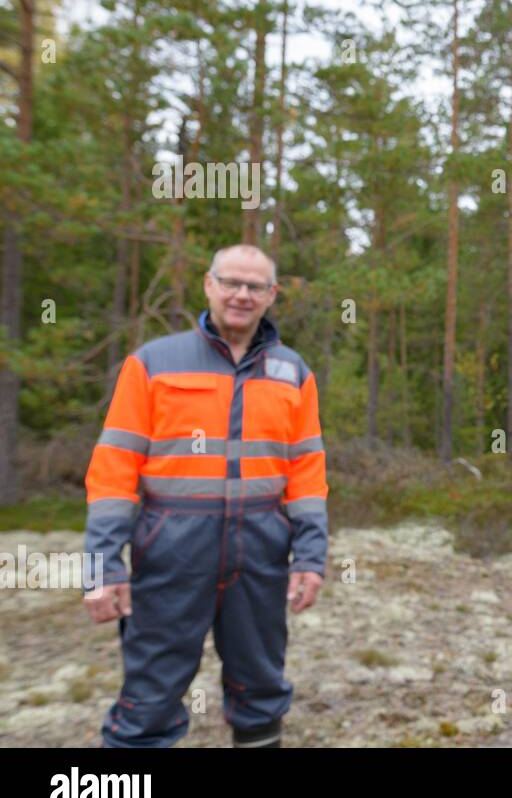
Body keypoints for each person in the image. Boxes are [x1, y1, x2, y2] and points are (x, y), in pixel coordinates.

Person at [82, 244, 328, 748]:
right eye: (231, 282)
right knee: (148, 699)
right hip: (170, 554)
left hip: (260, 555)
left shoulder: (293, 373)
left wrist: (312, 556)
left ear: (271, 295)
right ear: (208, 285)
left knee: (260, 691)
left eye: (255, 286)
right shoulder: (153, 362)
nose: (242, 294)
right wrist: (100, 568)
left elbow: (307, 472)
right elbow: (113, 470)